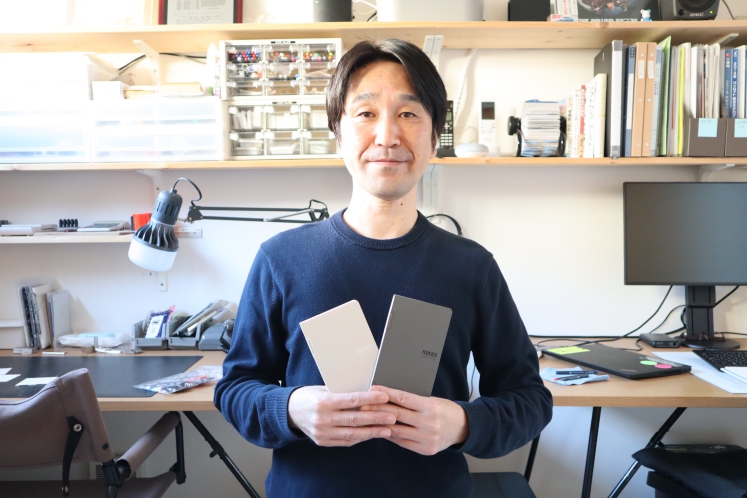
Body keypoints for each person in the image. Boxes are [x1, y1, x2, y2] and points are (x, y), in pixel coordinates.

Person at [215, 38, 553, 498]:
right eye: (366, 113)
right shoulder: (281, 259)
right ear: (338, 133)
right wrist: (291, 409)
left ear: (434, 137)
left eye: (409, 114)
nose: (388, 136)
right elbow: (235, 389)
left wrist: (462, 423)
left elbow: (530, 400)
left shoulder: (472, 267)